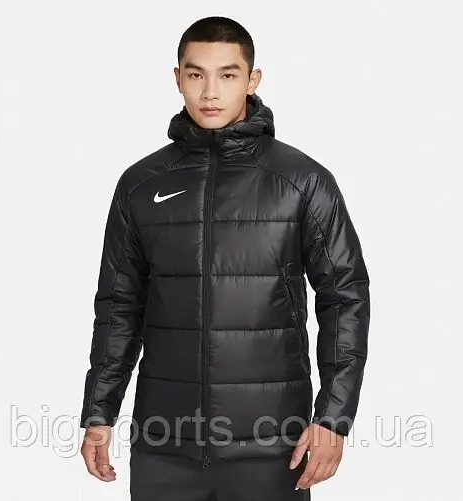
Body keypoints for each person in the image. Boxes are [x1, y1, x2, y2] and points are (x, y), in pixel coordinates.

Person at [79, 15, 370, 501]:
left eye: (228, 75)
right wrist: (98, 412)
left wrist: (333, 417)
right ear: (178, 78)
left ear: (253, 80)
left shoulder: (302, 181)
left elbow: (345, 297)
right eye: (196, 74)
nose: (210, 91)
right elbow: (118, 307)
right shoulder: (141, 184)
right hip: (164, 448)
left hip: (272, 449)